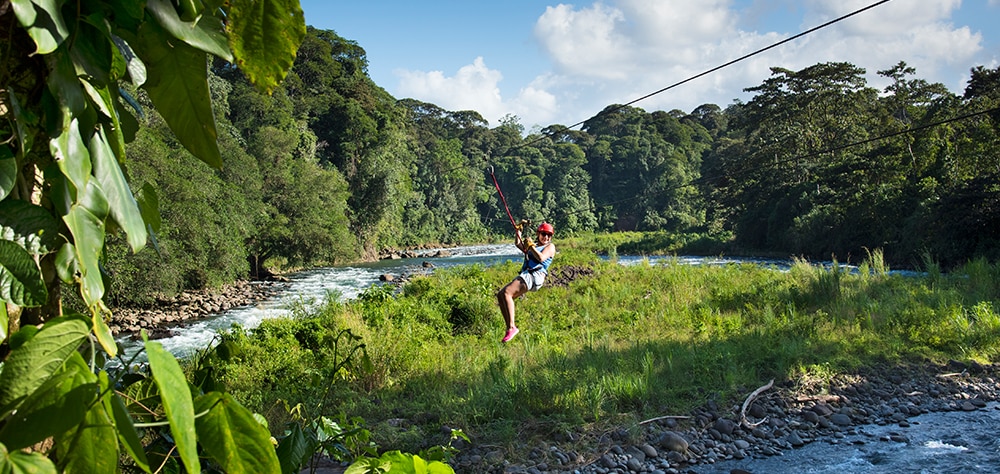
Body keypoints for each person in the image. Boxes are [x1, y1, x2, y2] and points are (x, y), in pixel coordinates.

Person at [496, 222, 556, 343]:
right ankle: (509, 327)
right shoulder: (533, 247)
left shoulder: (550, 247)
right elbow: (518, 243)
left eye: (549, 235)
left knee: (507, 293)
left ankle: (512, 327)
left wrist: (531, 246)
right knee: (501, 295)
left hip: (535, 275)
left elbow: (541, 258)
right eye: (544, 234)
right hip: (528, 275)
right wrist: (518, 231)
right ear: (538, 234)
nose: (546, 237)